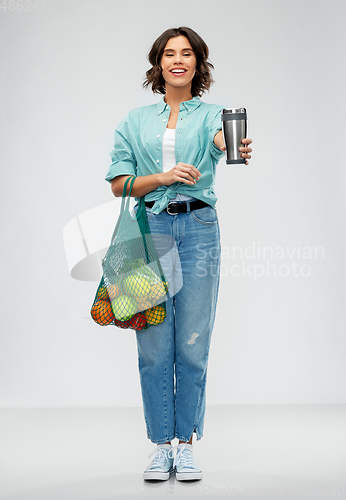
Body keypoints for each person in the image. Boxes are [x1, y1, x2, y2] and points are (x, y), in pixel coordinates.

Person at [105, 26, 252, 481]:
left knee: (191, 341)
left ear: (197, 64)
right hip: (148, 233)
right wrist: (164, 178)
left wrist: (232, 143)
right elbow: (118, 184)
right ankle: (160, 445)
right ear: (158, 64)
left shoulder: (212, 116)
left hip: (199, 228)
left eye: (187, 54)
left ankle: (185, 444)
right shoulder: (134, 121)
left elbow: (221, 142)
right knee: (152, 344)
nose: (178, 60)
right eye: (169, 54)